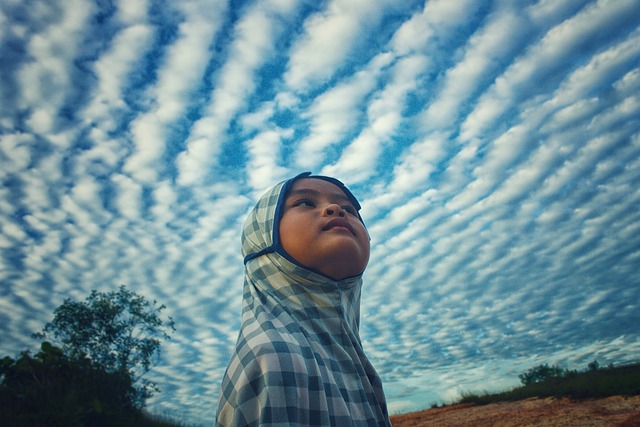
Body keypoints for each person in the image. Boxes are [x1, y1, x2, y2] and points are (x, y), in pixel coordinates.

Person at [215, 172, 391, 426]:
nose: (335, 209)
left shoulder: (356, 363)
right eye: (306, 202)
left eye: (349, 208)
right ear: (264, 236)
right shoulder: (274, 357)